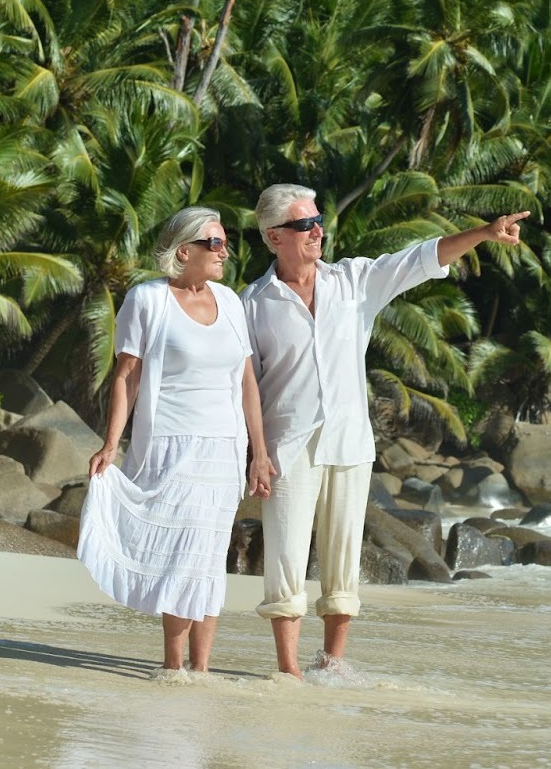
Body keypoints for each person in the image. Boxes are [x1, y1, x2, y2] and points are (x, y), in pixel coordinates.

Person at [241, 183, 527, 679]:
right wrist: (256, 453)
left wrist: (483, 233)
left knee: (343, 556)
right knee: (285, 557)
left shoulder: (354, 282)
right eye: (303, 224)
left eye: (317, 220)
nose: (316, 230)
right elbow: (244, 384)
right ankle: (288, 671)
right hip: (288, 445)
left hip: (349, 441)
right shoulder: (253, 302)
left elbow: (419, 258)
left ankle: (332, 663)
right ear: (273, 237)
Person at [78, 206, 275, 676]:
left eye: (226, 242)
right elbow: (127, 376)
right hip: (171, 445)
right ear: (183, 251)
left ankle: (201, 669)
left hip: (223, 451)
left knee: (208, 558)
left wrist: (259, 453)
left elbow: (248, 381)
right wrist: (111, 444)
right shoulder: (147, 300)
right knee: (183, 555)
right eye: (215, 243)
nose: (224, 251)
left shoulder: (231, 302)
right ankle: (173, 664)